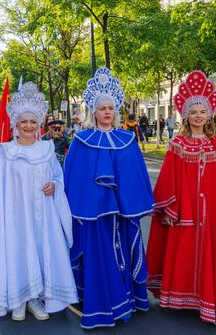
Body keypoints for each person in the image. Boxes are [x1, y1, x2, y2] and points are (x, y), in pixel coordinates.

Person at [146, 70, 216, 326]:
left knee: (210, 256)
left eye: (202, 112)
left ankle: (206, 298)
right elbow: (169, 180)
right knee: (182, 253)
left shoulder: (214, 143)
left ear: (208, 115)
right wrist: (172, 210)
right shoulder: (178, 144)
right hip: (186, 212)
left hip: (211, 213)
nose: (198, 116)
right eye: (194, 112)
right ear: (186, 115)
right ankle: (179, 297)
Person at [0, 82, 78, 322]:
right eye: (24, 121)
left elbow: (57, 177)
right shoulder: (5, 151)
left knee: (40, 251)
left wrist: (53, 186)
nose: (28, 126)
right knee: (18, 251)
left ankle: (36, 298)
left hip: (43, 216)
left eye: (33, 122)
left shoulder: (46, 149)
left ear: (38, 124)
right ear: (16, 124)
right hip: (14, 217)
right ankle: (19, 299)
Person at [64, 68, 155, 329]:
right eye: (102, 107)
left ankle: (127, 299)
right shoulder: (81, 140)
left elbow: (136, 174)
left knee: (124, 254)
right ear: (93, 111)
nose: (107, 112)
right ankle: (102, 305)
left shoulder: (127, 139)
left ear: (115, 111)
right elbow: (73, 177)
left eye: (110, 108)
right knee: (100, 257)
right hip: (93, 215)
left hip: (122, 214)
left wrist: (131, 202)